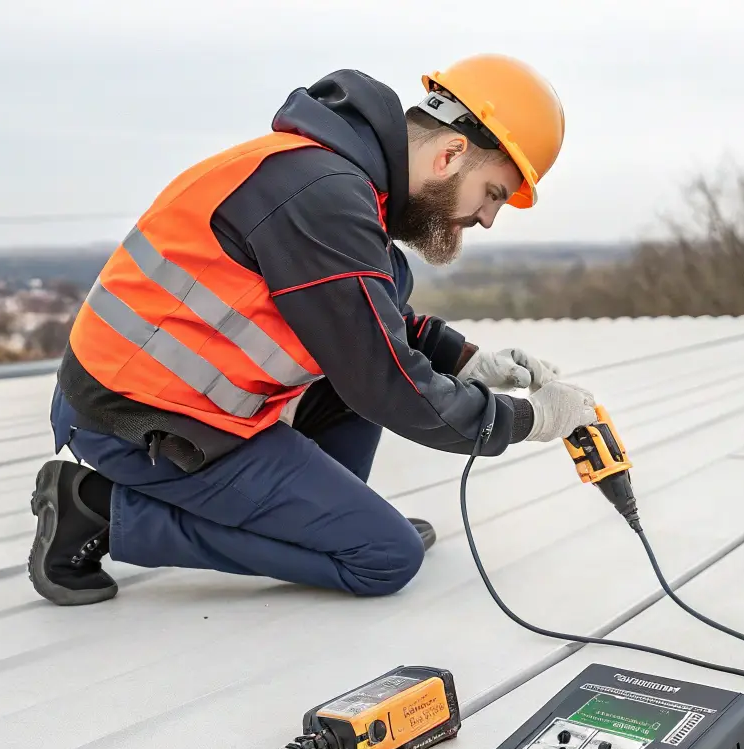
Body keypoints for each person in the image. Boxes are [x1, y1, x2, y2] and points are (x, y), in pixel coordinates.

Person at [30, 55, 596, 606]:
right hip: (137, 421)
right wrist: (532, 420)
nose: (489, 218)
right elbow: (385, 381)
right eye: (494, 193)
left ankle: (327, 525)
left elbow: (369, 319)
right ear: (450, 155)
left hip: (184, 404)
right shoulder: (321, 197)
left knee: (348, 464)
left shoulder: (341, 185)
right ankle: (99, 510)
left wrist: (468, 360)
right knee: (383, 556)